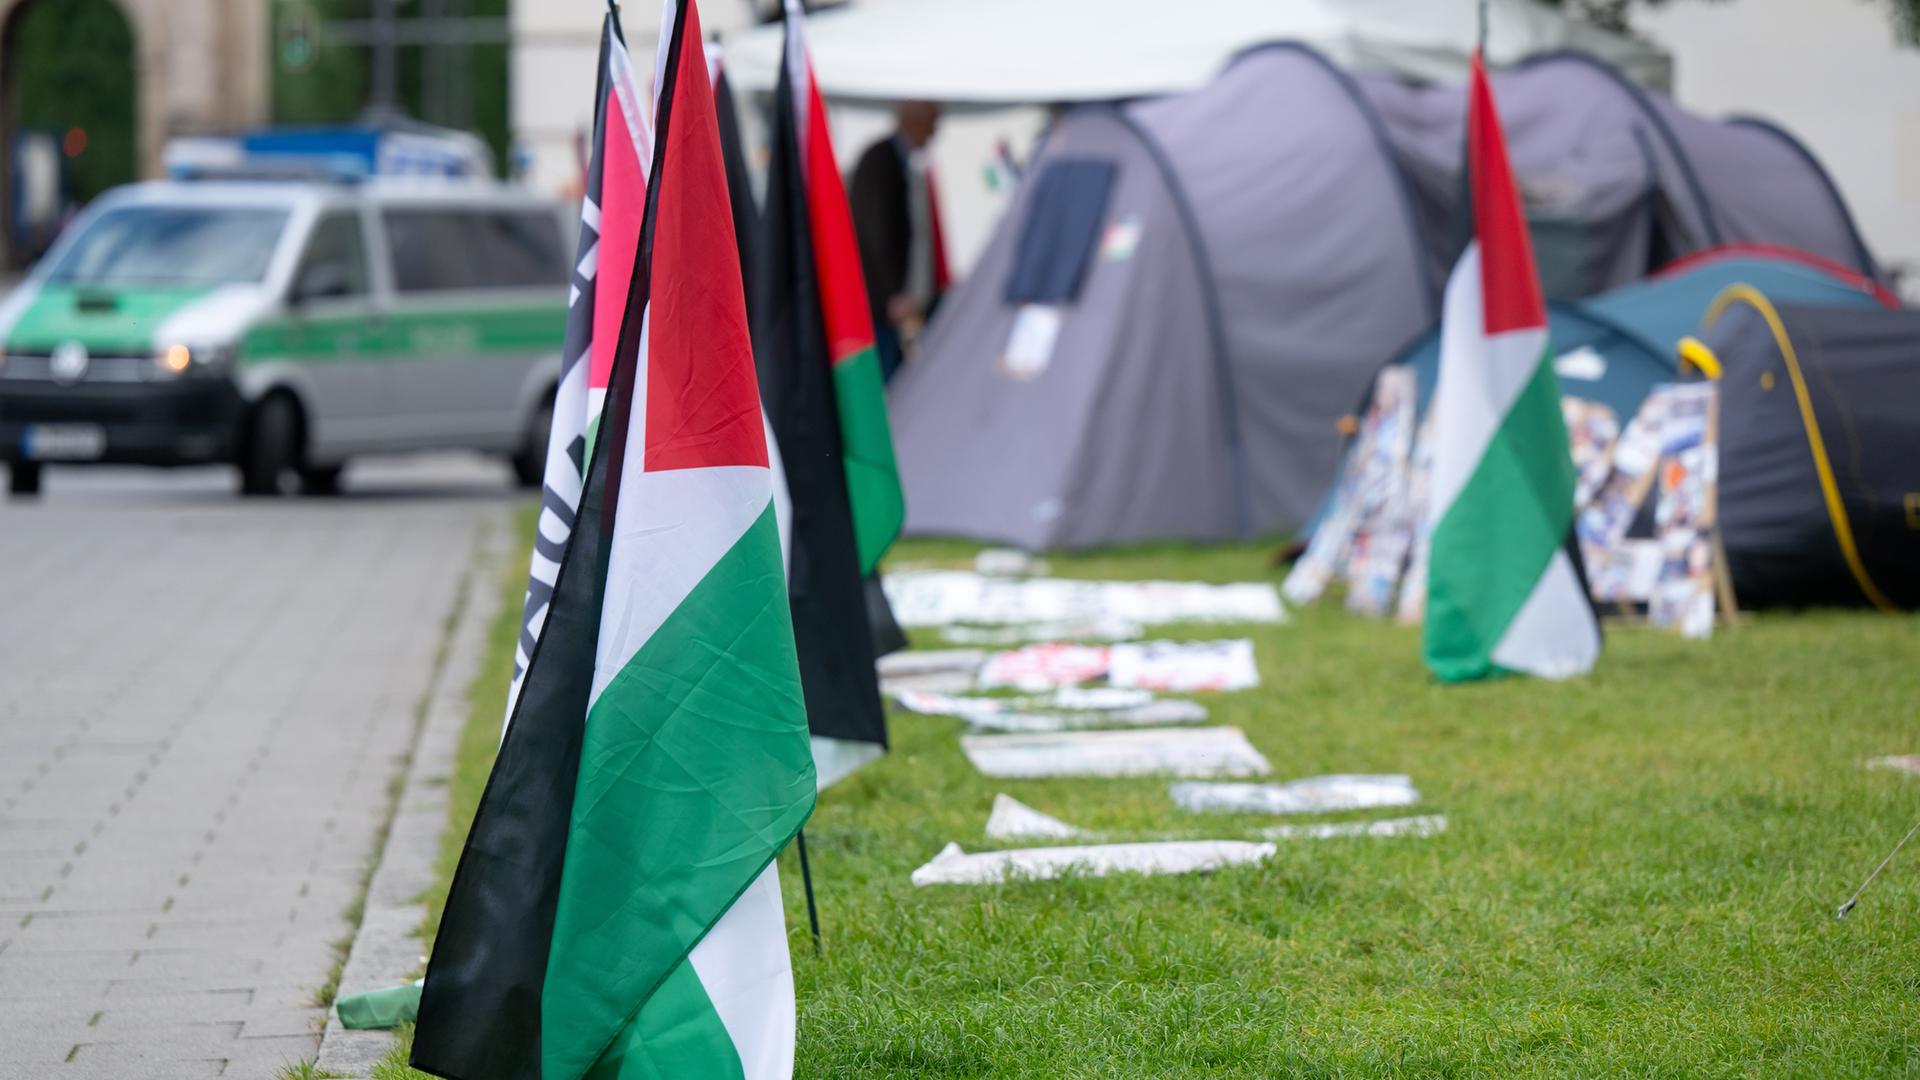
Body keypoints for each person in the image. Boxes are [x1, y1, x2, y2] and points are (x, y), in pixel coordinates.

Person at [850, 100, 949, 380]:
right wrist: (892, 293)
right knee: (888, 373)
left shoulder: (898, 160)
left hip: (888, 299)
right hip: (882, 301)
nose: (933, 134)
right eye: (931, 125)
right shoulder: (882, 160)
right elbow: (876, 231)